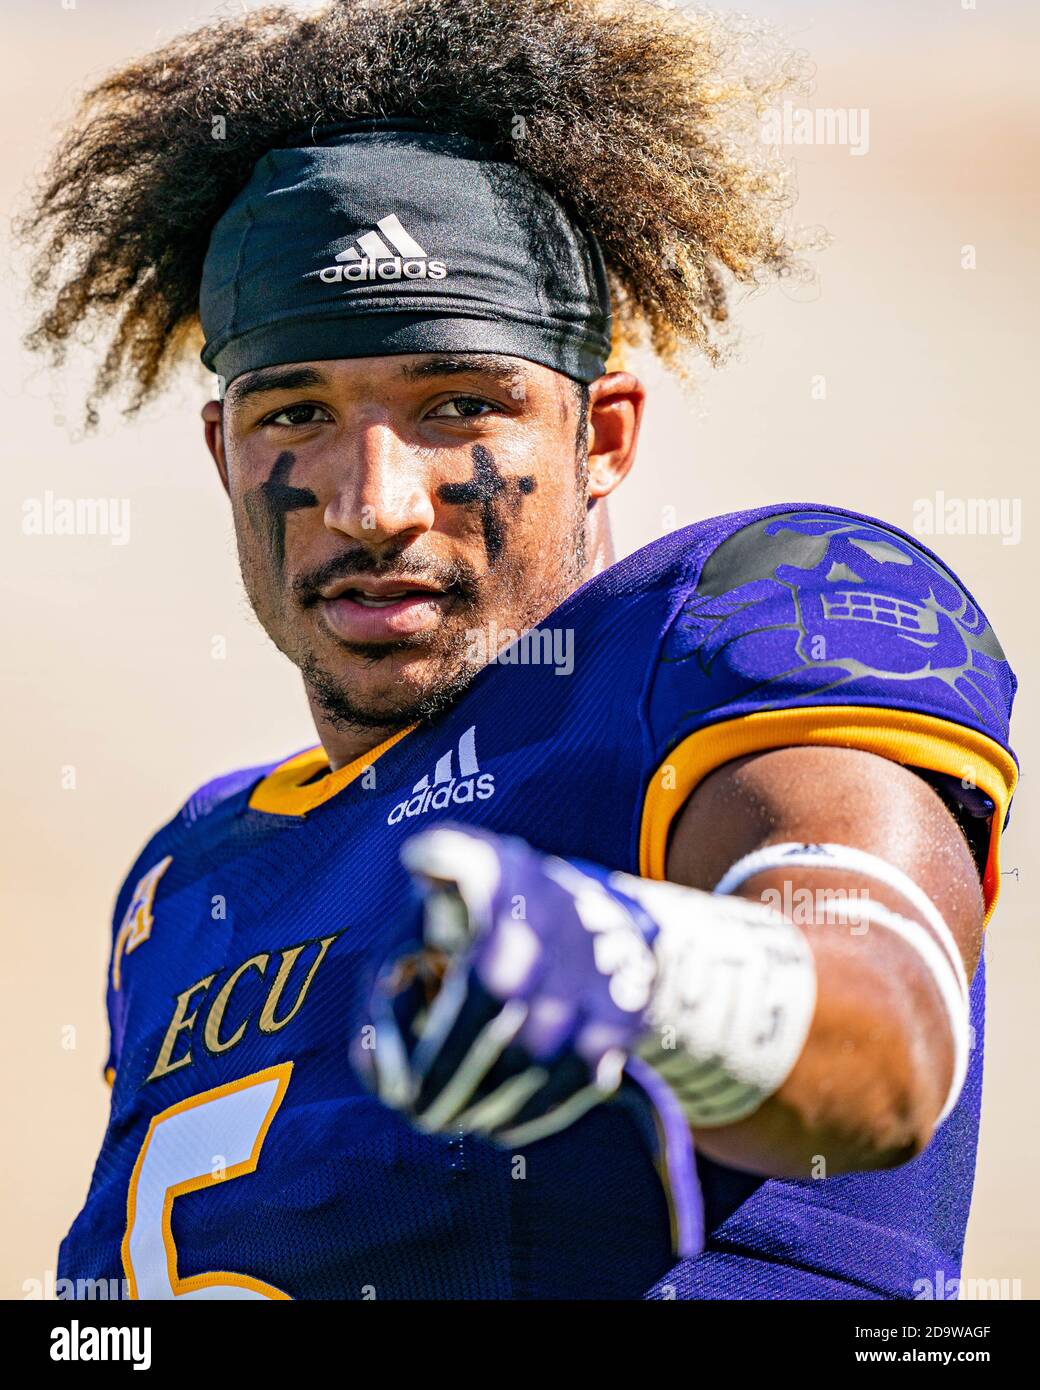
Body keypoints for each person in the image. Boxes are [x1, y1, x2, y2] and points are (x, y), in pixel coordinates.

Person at [24, 0, 1017, 1300]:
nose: (374, 499)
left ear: (601, 436)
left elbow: (888, 1035)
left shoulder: (727, 633)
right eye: (297, 413)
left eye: (457, 405)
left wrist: (641, 972)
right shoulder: (188, 878)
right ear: (223, 453)